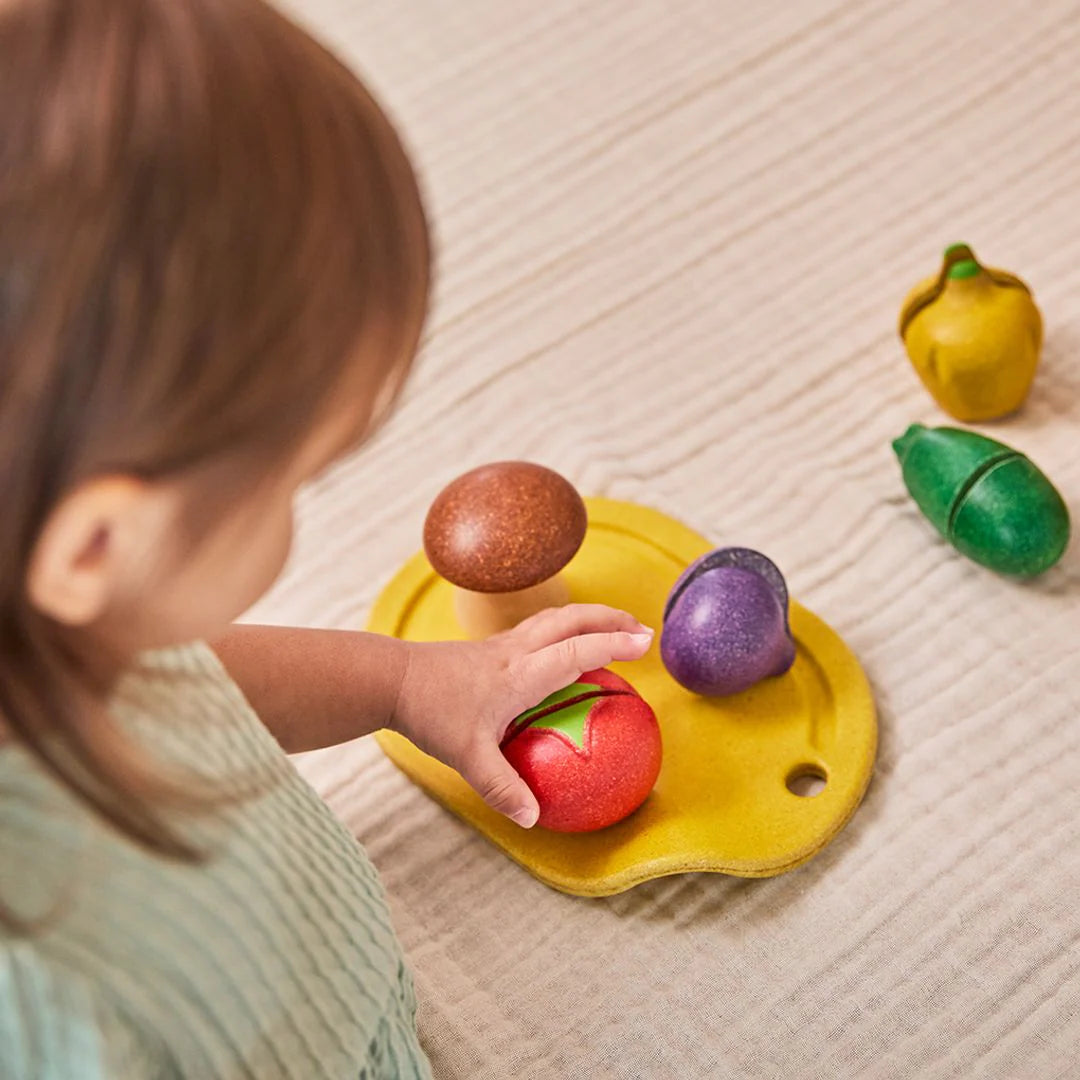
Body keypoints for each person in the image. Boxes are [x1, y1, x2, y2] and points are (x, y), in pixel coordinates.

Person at [0, 0, 654, 1076]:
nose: (305, 507)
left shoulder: (74, 630)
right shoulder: (40, 1000)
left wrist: (405, 684)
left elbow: (201, 679)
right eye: (297, 481)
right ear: (94, 550)